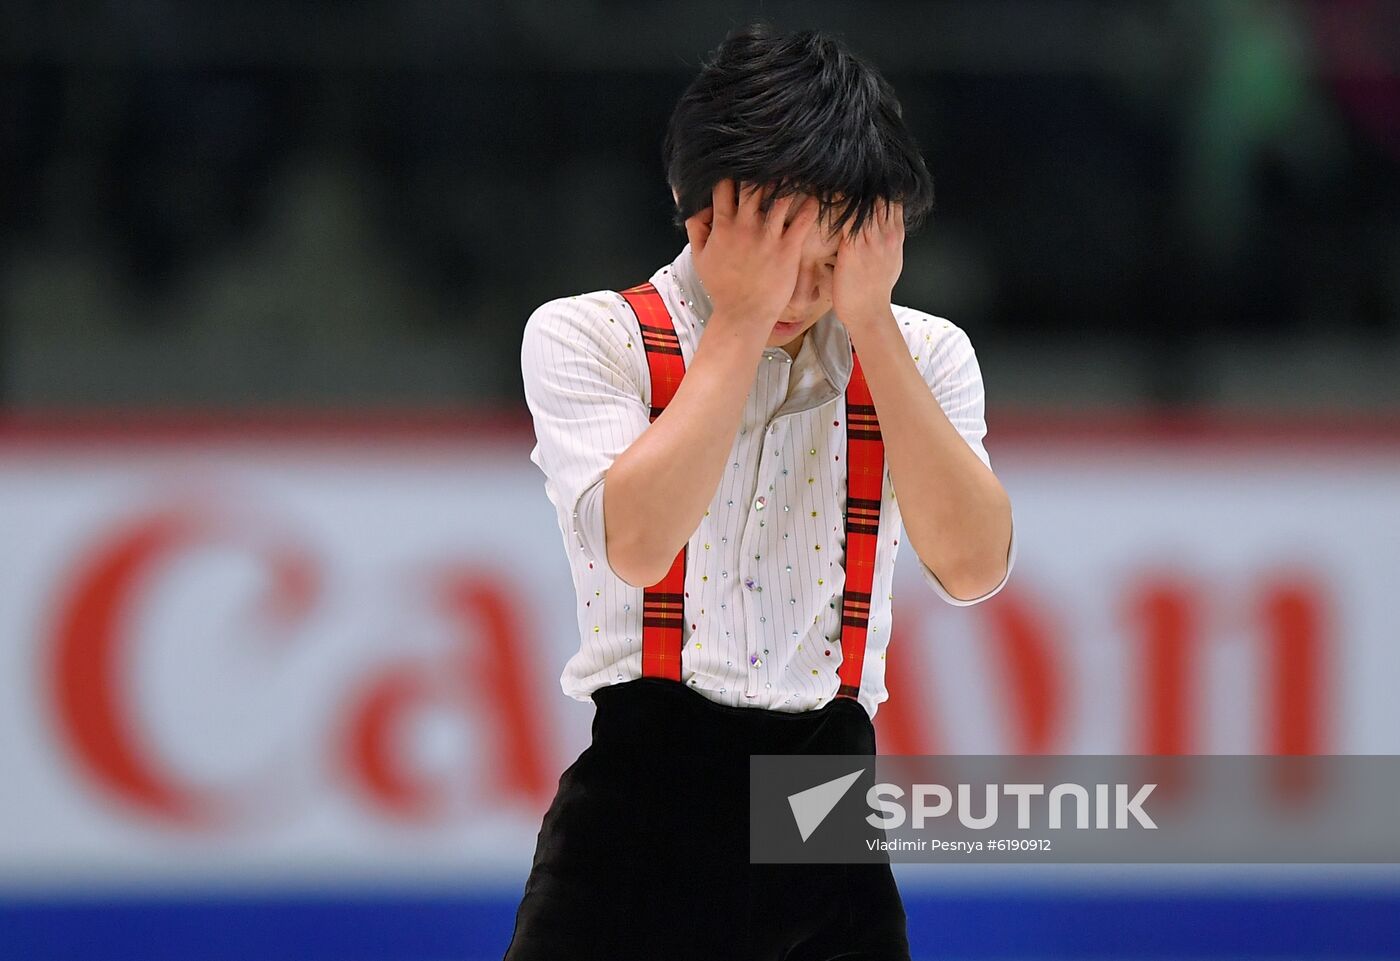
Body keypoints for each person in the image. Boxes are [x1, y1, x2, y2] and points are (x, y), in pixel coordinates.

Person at [507, 22, 1017, 961]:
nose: (804, 288)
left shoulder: (926, 355)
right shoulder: (591, 339)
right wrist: (738, 321)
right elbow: (637, 544)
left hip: (821, 801)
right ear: (695, 208)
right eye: (778, 252)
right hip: (639, 796)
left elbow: (976, 567)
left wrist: (872, 324)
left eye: (830, 259)